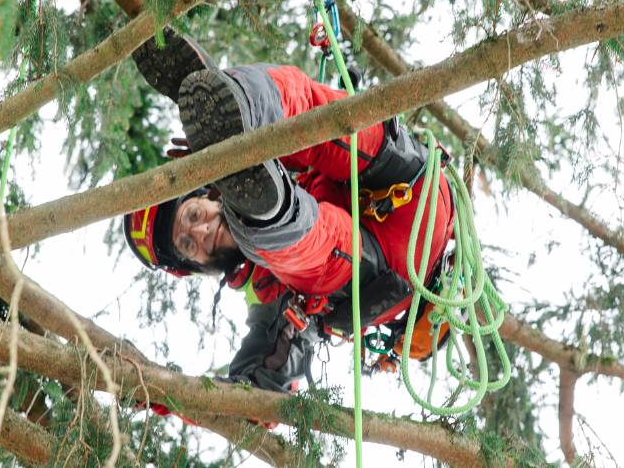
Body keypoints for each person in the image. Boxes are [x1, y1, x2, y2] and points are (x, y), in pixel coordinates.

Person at [122, 29, 456, 393]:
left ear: (204, 195)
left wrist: (224, 149)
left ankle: (243, 105)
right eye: (188, 244)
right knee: (296, 243)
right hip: (381, 266)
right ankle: (269, 209)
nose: (200, 232)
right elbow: (263, 385)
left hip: (408, 185)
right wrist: (152, 391)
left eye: (192, 216)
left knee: (310, 117)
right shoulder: (263, 287)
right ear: (198, 266)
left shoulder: (282, 161)